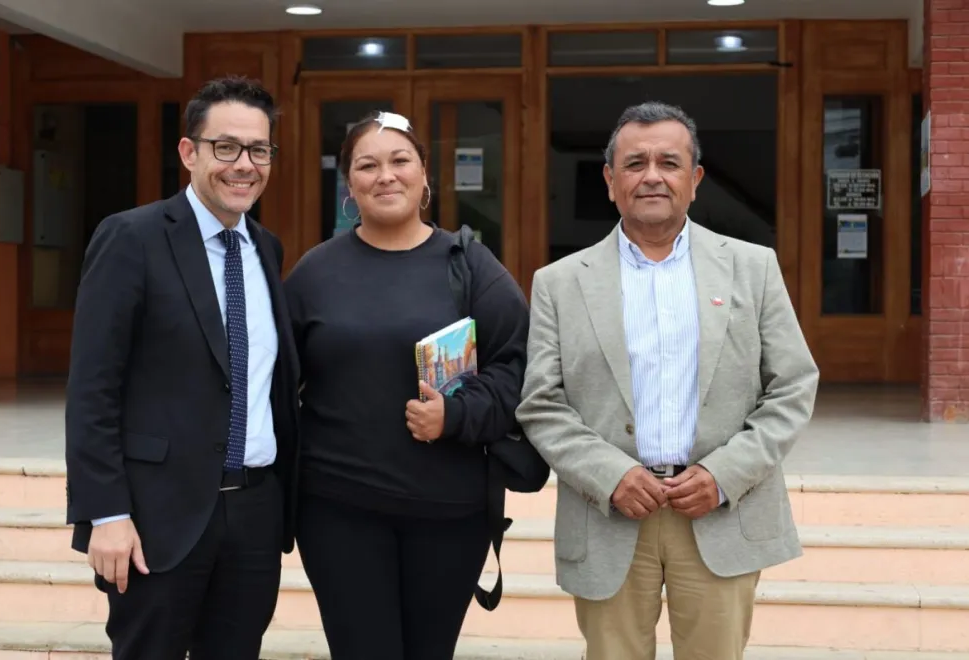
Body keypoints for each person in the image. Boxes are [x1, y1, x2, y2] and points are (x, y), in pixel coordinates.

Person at [515, 101, 819, 660]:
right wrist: (611, 475)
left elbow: (793, 386)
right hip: (610, 512)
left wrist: (724, 473)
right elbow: (542, 403)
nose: (652, 175)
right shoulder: (559, 283)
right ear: (610, 180)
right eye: (634, 163)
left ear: (695, 179)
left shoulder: (753, 268)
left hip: (719, 511)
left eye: (669, 162)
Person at [64, 75, 300, 660]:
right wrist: (106, 514)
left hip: (253, 515)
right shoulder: (131, 238)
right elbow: (94, 389)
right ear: (189, 152)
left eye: (259, 150)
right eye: (226, 147)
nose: (244, 164)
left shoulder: (266, 249)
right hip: (156, 517)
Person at [283, 110, 529, 660]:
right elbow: (273, 382)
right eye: (368, 165)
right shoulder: (314, 274)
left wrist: (458, 417)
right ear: (351, 185)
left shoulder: (471, 265)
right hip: (337, 508)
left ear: (424, 177)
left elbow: (518, 369)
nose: (385, 175)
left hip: (448, 513)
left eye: (400, 161)